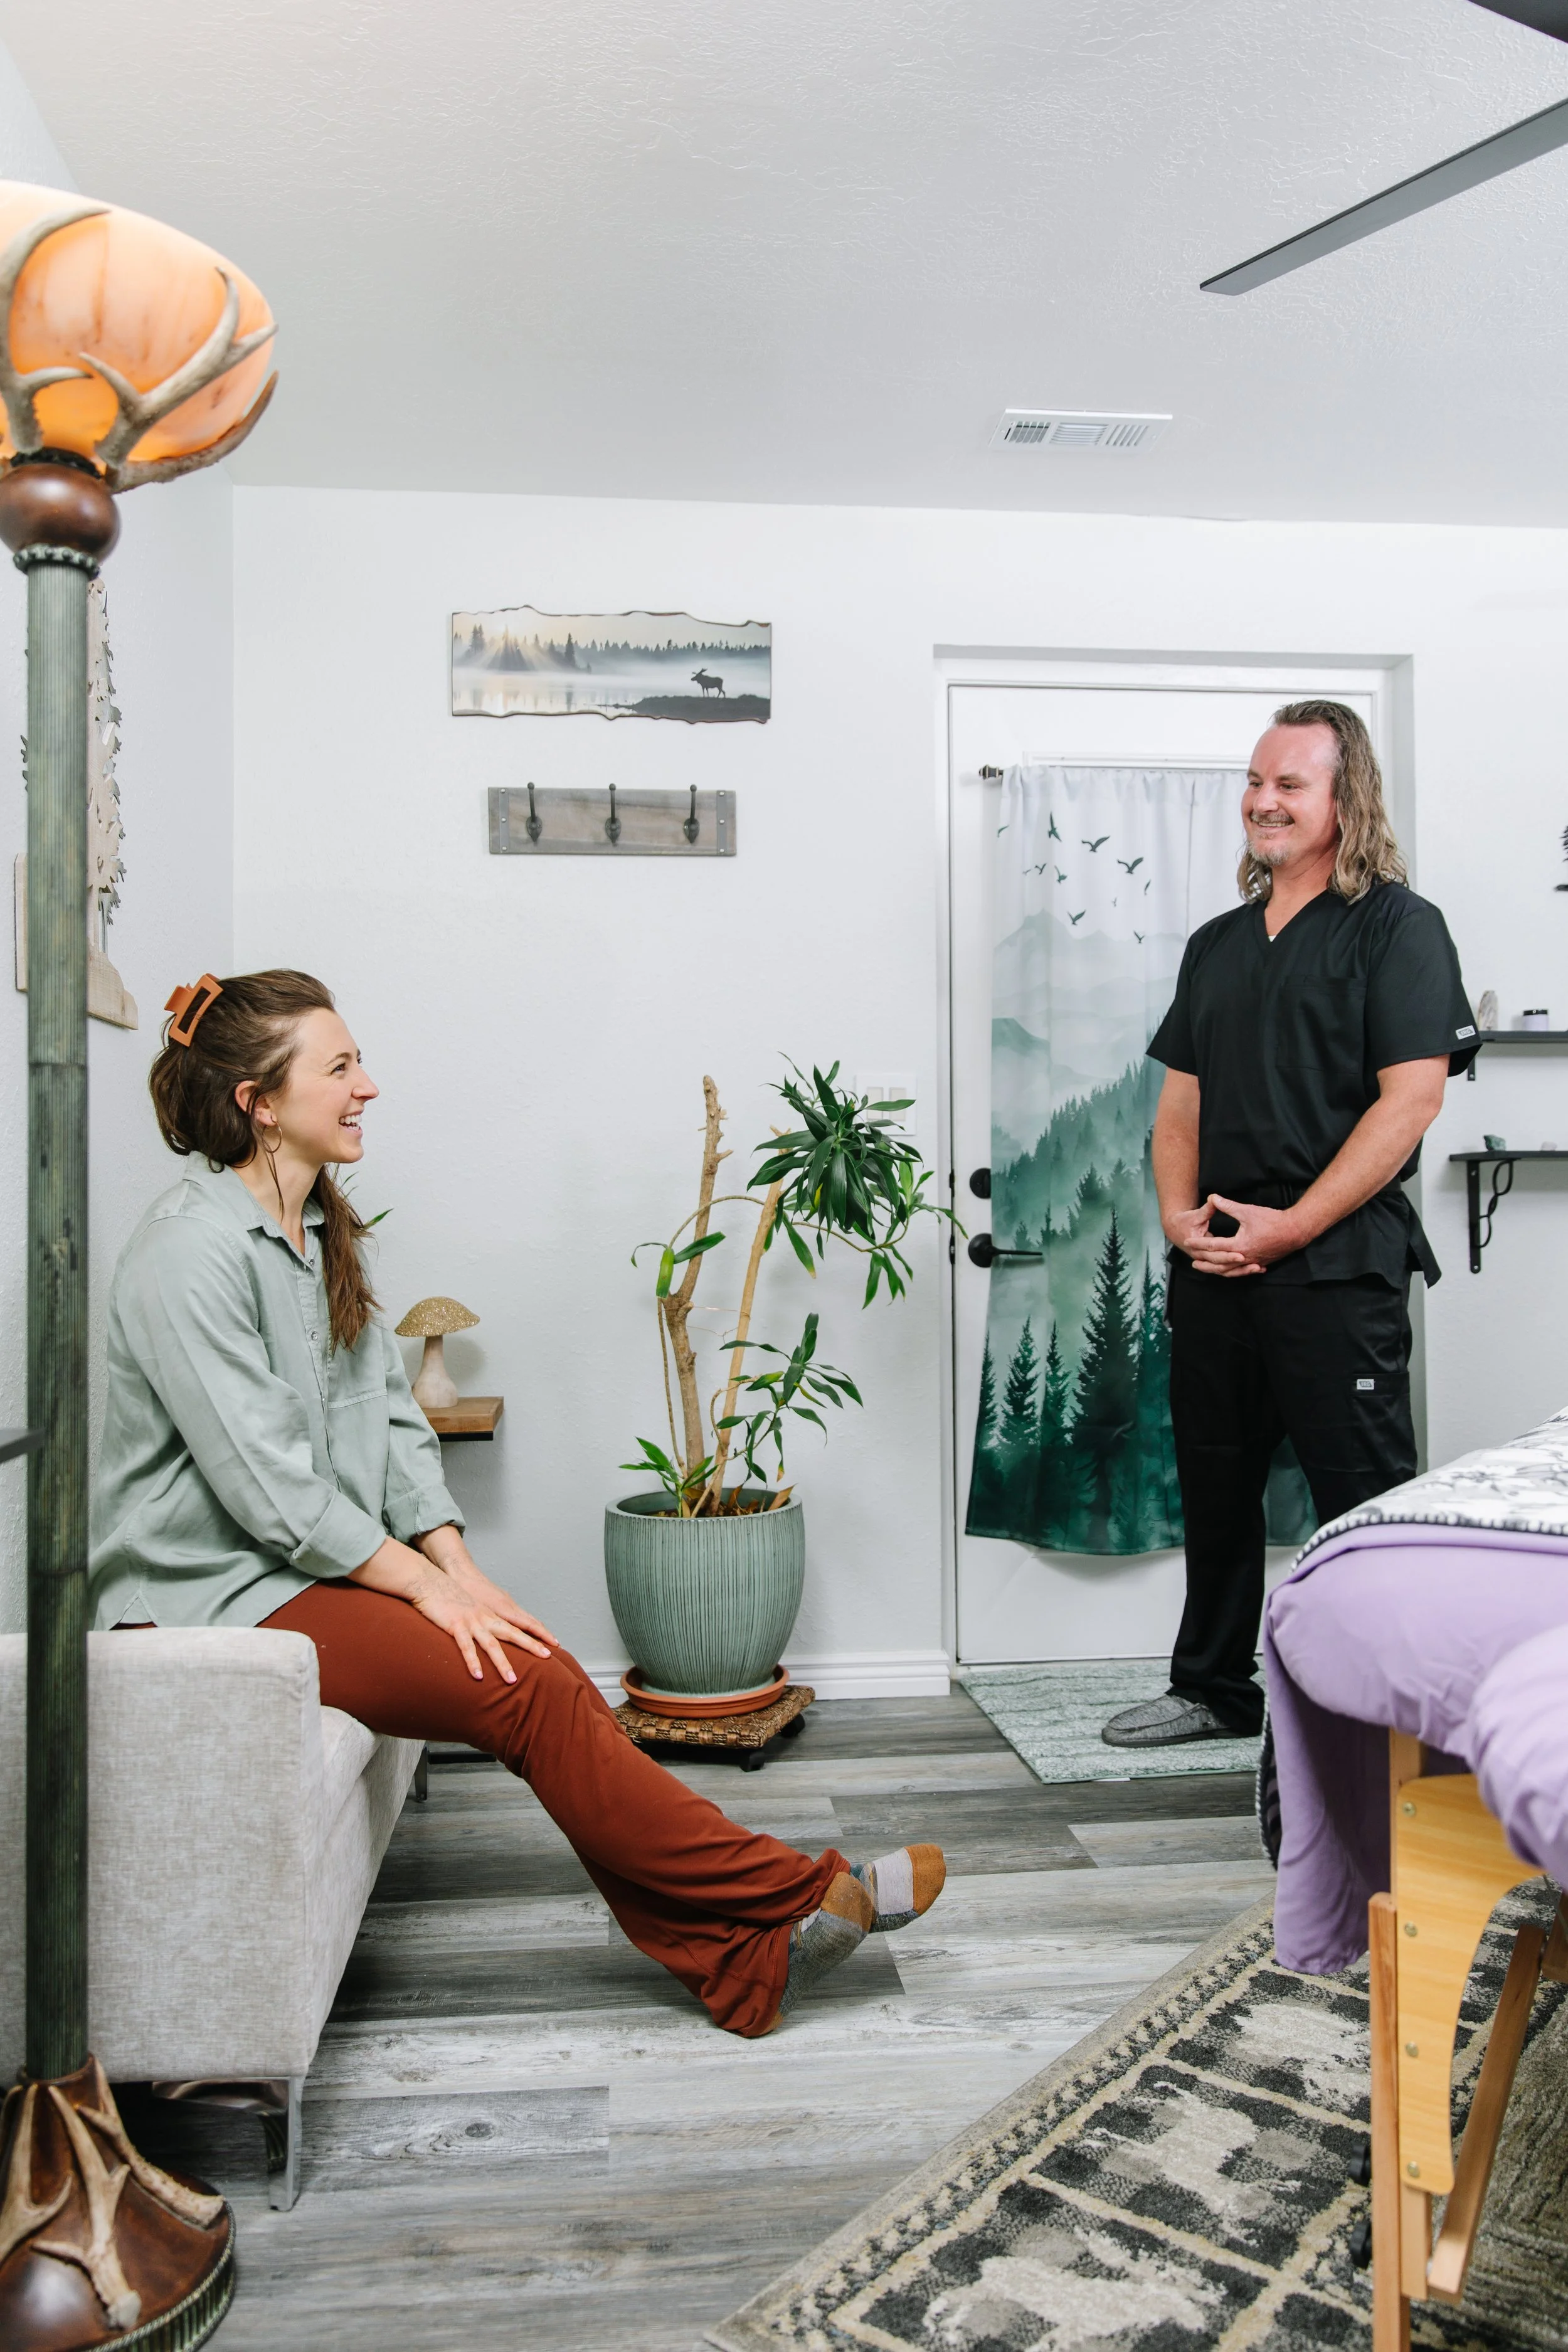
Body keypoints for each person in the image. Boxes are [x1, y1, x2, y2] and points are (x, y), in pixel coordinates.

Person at [91, 968, 946, 2037]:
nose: (370, 1085)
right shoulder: (188, 1252)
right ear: (258, 1100)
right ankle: (790, 1889)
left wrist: (460, 1569)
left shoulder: (319, 1228)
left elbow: (392, 1423)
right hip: (208, 1590)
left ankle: (745, 1965)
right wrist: (423, 1589)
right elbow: (270, 1493)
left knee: (533, 1665)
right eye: (341, 1065)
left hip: (296, 1571)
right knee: (529, 1688)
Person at [1101, 701, 1478, 1749]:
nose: (1263, 801)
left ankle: (1396, 1717)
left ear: (1345, 800)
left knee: (1364, 1505)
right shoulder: (1217, 945)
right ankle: (1215, 1687)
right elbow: (1180, 1104)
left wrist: (1293, 1226)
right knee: (1216, 1490)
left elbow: (1411, 1102)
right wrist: (1182, 1220)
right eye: (1256, 782)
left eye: (1290, 785)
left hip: (1336, 1270)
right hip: (1217, 1264)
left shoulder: (1401, 928)